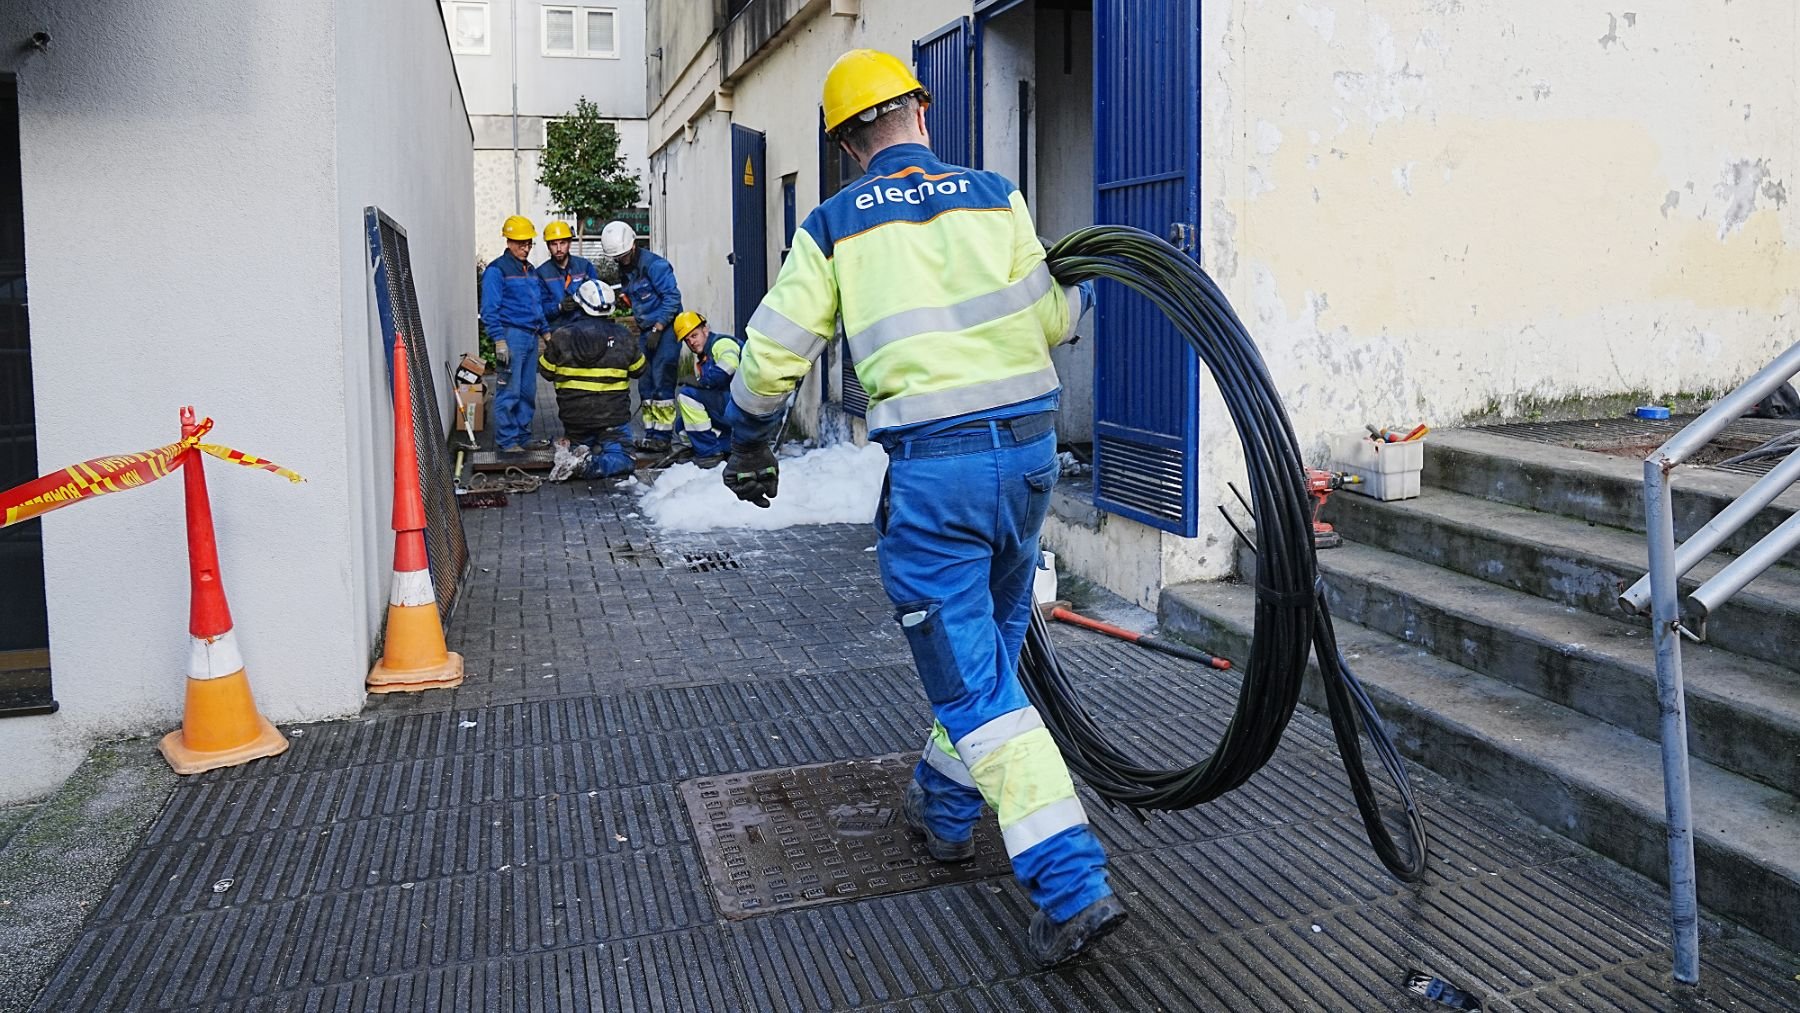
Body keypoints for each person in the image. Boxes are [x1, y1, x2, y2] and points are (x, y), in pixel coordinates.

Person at [720, 49, 1116, 967]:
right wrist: (1072, 282)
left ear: (848, 143)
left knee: (974, 682)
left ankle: (1072, 883)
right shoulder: (995, 195)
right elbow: (1056, 318)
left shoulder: (834, 223)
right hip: (1026, 463)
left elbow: (776, 352)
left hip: (938, 480)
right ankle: (942, 809)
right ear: (920, 113)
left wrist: (746, 440)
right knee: (989, 649)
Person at [539, 280, 644, 482]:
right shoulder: (624, 336)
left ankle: (570, 451)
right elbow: (639, 370)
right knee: (624, 457)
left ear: (579, 304)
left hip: (575, 419)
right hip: (612, 419)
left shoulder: (561, 336)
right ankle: (587, 465)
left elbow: (546, 371)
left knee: (583, 444)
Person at [599, 221, 683, 454]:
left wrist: (658, 327)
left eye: (624, 255)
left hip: (665, 330)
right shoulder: (624, 267)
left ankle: (663, 436)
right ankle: (651, 433)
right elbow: (632, 292)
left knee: (662, 379)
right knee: (645, 382)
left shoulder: (655, 266)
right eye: (617, 257)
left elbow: (672, 298)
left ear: (633, 245)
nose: (621, 260)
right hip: (648, 330)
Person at [480, 215, 550, 453]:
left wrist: (547, 334)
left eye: (529, 243)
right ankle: (507, 441)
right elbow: (489, 309)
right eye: (521, 243)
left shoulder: (529, 270)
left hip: (530, 336)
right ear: (508, 241)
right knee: (509, 390)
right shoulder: (496, 270)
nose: (526, 247)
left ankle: (522, 437)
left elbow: (537, 305)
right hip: (511, 336)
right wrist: (499, 340)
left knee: (527, 391)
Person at [671, 311, 740, 467]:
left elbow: (729, 366)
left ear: (705, 330)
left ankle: (709, 454)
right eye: (687, 340)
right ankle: (727, 446)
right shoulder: (704, 356)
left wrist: (701, 383)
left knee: (687, 396)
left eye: (694, 335)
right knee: (682, 426)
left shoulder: (721, 343)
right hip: (730, 408)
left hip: (741, 407)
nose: (692, 343)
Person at [535, 220, 601, 334]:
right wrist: (559, 307)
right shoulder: (541, 273)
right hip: (559, 332)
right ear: (548, 246)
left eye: (562, 243)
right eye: (554, 244)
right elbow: (539, 309)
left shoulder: (584, 266)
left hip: (586, 328)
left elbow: (597, 297)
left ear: (570, 243)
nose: (559, 248)